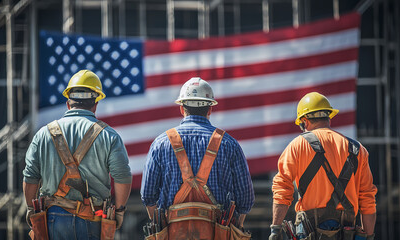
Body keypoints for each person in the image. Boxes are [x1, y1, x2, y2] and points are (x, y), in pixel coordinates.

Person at [23, 70, 132, 239]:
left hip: (52, 219)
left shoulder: (43, 134)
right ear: (95, 104)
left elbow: (30, 177)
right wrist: (119, 211)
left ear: (68, 103)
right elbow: (122, 177)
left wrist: (31, 210)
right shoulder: (109, 136)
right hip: (93, 219)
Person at [140, 77, 255, 239]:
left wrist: (162, 228)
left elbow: (148, 195)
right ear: (210, 109)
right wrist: (234, 228)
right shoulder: (229, 144)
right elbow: (246, 199)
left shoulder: (161, 143)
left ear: (182, 108)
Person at [269, 92, 377, 240]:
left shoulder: (297, 145)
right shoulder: (357, 150)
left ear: (304, 122)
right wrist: (369, 236)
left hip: (309, 231)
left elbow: (282, 188)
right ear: (329, 118)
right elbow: (367, 198)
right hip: (347, 232)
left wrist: (275, 229)